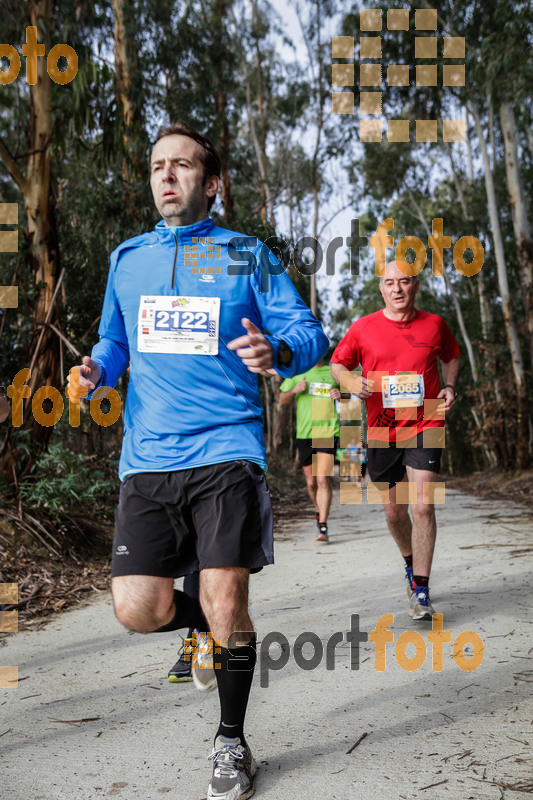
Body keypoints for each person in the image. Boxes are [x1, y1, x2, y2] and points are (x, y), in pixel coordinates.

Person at [67, 121, 328, 800]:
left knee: (225, 596)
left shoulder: (247, 256)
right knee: (137, 608)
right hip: (148, 458)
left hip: (225, 451)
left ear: (211, 184)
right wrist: (96, 370)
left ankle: (231, 743)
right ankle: (211, 634)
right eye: (158, 166)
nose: (166, 176)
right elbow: (112, 341)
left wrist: (281, 353)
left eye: (182, 166)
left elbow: (308, 331)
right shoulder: (128, 259)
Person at [330, 261, 460, 620]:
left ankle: (421, 588)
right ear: (381, 289)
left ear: (416, 285)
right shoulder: (362, 328)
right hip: (381, 429)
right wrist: (351, 382)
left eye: (404, 281)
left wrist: (449, 386)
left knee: (422, 506)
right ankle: (409, 564)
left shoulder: (434, 324)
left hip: (426, 421)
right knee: (393, 511)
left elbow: (451, 356)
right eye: (389, 282)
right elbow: (337, 365)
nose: (397, 288)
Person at [279, 360, 340, 543]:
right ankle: (319, 511)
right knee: (311, 482)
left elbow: (349, 393)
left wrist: (340, 394)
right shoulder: (297, 370)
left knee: (322, 479)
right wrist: (294, 390)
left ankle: (323, 525)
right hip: (305, 432)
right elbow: (282, 399)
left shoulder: (332, 372)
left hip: (327, 431)